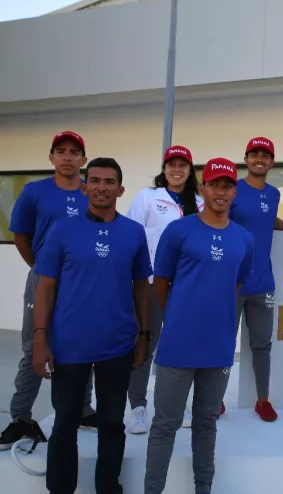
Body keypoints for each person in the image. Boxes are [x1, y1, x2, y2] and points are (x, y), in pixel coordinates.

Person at [32, 157, 153, 494]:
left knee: (112, 424)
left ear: (120, 189)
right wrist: (41, 338)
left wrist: (144, 334)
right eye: (95, 180)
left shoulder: (133, 232)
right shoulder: (63, 230)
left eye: (109, 181)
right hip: (70, 344)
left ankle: (107, 487)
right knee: (66, 422)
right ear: (84, 187)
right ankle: (60, 488)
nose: (102, 187)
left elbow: (142, 287)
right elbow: (46, 287)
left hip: (118, 344)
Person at [144, 158, 255, 494]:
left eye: (227, 186)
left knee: (206, 423)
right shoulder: (179, 230)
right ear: (203, 188)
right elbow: (161, 281)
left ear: (235, 191)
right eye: (214, 185)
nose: (221, 192)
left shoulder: (244, 239)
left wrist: (213, 317)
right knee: (165, 424)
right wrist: (179, 315)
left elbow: (235, 283)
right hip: (178, 344)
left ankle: (202, 488)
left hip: (219, 346)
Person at [0, 131, 98, 451]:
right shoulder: (34, 192)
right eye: (61, 151)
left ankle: (82, 410)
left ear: (84, 159)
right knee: (34, 347)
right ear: (51, 157)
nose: (67, 156)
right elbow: (21, 235)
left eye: (74, 151)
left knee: (84, 346)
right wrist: (42, 268)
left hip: (82, 283)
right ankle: (20, 418)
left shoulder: (92, 193)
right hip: (44, 280)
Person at [227, 136, 283, 423]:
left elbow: (268, 221)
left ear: (272, 162)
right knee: (224, 341)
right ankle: (214, 400)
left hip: (263, 280)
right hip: (231, 281)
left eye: (265, 155)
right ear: (246, 158)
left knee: (262, 344)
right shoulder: (232, 190)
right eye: (254, 154)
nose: (259, 159)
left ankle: (262, 399)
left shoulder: (273, 194)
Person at [126, 145, 204, 434]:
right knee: (145, 341)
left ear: (189, 169)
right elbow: (132, 237)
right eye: (172, 164)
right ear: (164, 168)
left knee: (179, 346)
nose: (177, 169)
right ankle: (138, 406)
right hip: (149, 284)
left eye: (183, 164)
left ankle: (174, 403)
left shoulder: (199, 202)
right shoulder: (147, 198)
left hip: (186, 288)